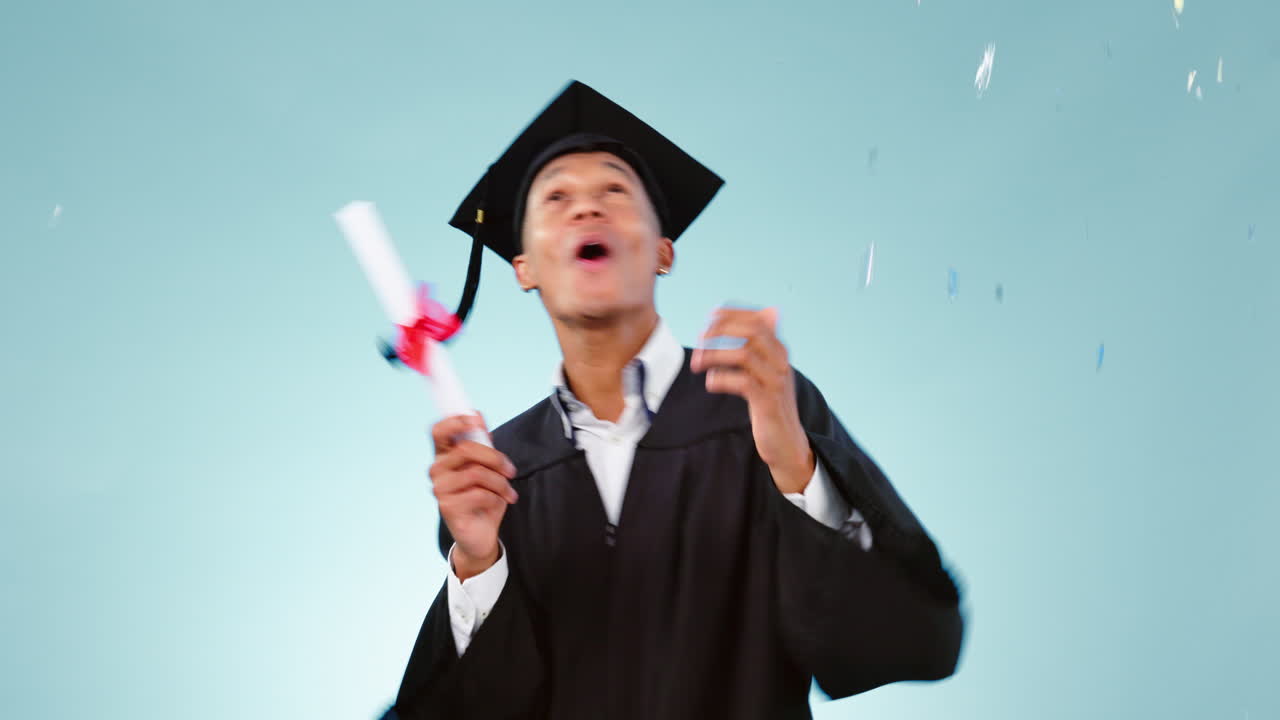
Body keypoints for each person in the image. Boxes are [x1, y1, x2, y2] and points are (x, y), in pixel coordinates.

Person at [380, 80, 964, 720]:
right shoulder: (501, 469)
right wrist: (477, 564)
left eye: (614, 191)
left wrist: (796, 469)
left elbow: (915, 641)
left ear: (663, 250)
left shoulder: (759, 405)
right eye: (556, 199)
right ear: (524, 266)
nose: (586, 209)